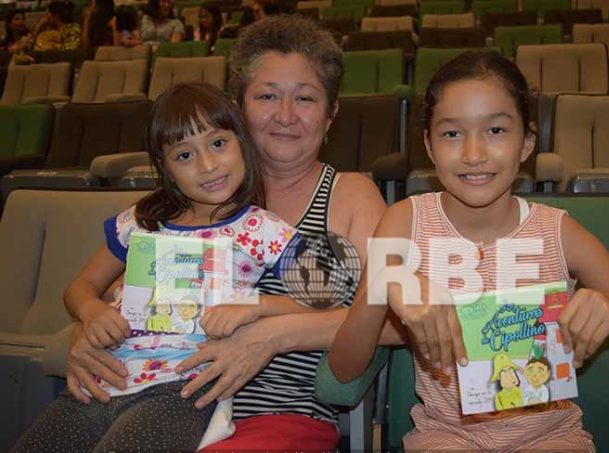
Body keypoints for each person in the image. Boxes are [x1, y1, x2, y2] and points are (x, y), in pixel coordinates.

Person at [329, 51, 609, 451]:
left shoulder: (561, 233)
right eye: (452, 134)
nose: (473, 154)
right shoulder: (403, 222)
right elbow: (344, 368)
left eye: (497, 131)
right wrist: (388, 282)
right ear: (429, 147)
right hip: (445, 439)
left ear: (527, 143)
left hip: (553, 439)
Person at [60, 14, 387, 451]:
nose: (285, 116)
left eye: (305, 99)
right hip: (149, 399)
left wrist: (271, 335)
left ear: (331, 115)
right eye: (267, 95)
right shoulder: (186, 203)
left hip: (276, 414)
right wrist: (84, 338)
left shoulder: (355, 195)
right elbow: (114, 299)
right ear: (237, 108)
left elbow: (395, 320)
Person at [11, 82, 326, 453]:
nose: (208, 165)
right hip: (103, 378)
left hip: (183, 388)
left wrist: (256, 306)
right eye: (184, 155)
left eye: (218, 143)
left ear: (242, 141)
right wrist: (91, 311)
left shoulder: (261, 228)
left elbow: (322, 296)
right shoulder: (142, 220)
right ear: (165, 167)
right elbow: (80, 286)